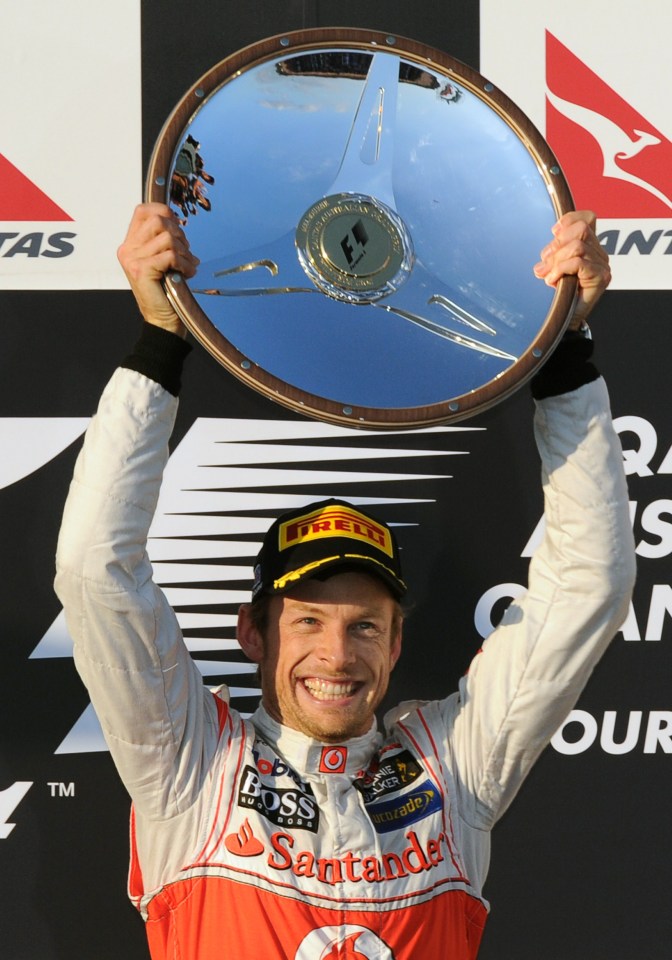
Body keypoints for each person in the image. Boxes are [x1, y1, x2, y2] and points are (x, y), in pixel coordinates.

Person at [54, 203, 635, 960]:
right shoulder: (190, 766)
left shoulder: (454, 766)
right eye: (307, 622)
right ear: (251, 633)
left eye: (364, 625)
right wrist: (161, 343)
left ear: (396, 646)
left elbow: (588, 586)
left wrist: (563, 356)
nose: (337, 654)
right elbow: (96, 569)